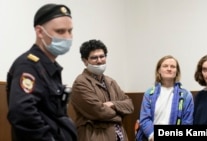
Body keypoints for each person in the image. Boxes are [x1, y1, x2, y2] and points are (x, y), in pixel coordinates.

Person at [6, 3, 77, 141]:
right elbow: (22, 114)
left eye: (70, 31)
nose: (68, 37)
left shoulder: (50, 67)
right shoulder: (27, 66)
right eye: (60, 31)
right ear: (40, 32)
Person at [70, 39, 134, 141]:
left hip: (119, 135)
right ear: (85, 61)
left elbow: (130, 105)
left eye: (102, 56)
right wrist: (120, 114)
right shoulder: (80, 82)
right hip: (95, 136)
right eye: (94, 58)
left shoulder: (111, 81)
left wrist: (113, 104)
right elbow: (99, 112)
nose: (99, 60)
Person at [137, 55, 194, 141]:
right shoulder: (149, 93)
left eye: (173, 66)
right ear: (159, 70)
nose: (169, 69)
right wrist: (152, 135)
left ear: (176, 71)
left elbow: (187, 122)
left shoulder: (186, 95)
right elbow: (145, 119)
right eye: (165, 66)